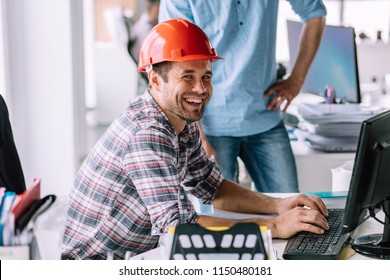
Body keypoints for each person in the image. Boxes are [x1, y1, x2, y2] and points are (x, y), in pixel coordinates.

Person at [61, 18, 329, 260]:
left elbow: (213, 188)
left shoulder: (180, 119)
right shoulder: (147, 133)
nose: (200, 89)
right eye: (187, 76)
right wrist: (274, 226)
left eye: (206, 77)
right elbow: (178, 227)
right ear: (155, 79)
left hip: (141, 253)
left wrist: (278, 205)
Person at [159, 0, 327, 193]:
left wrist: (297, 79)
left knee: (291, 208)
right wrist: (197, 137)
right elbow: (174, 64)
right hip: (209, 125)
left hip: (265, 117)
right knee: (219, 218)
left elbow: (315, 12)